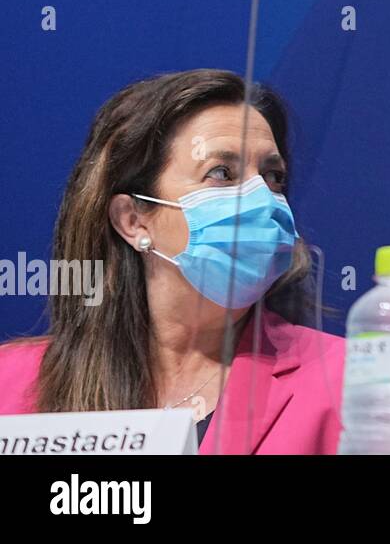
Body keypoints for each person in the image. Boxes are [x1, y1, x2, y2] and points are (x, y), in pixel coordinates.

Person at [0, 69, 344, 454]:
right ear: (133, 220)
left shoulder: (345, 381)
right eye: (222, 173)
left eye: (273, 176)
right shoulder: (9, 382)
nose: (263, 200)